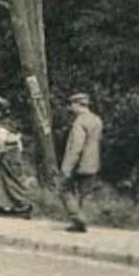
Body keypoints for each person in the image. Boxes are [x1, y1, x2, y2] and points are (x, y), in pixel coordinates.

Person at [60, 91, 103, 233]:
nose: (71, 108)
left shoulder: (79, 122)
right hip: (93, 163)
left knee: (64, 189)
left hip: (79, 164)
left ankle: (77, 218)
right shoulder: (96, 120)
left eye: (72, 105)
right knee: (86, 194)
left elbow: (76, 147)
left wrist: (67, 166)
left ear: (78, 105)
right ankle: (83, 220)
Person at [0, 96, 33, 217]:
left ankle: (22, 205)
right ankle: (4, 205)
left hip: (6, 155)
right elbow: (18, 141)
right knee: (7, 180)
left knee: (9, 181)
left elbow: (0, 140)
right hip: (13, 154)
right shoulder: (12, 122)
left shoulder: (3, 124)